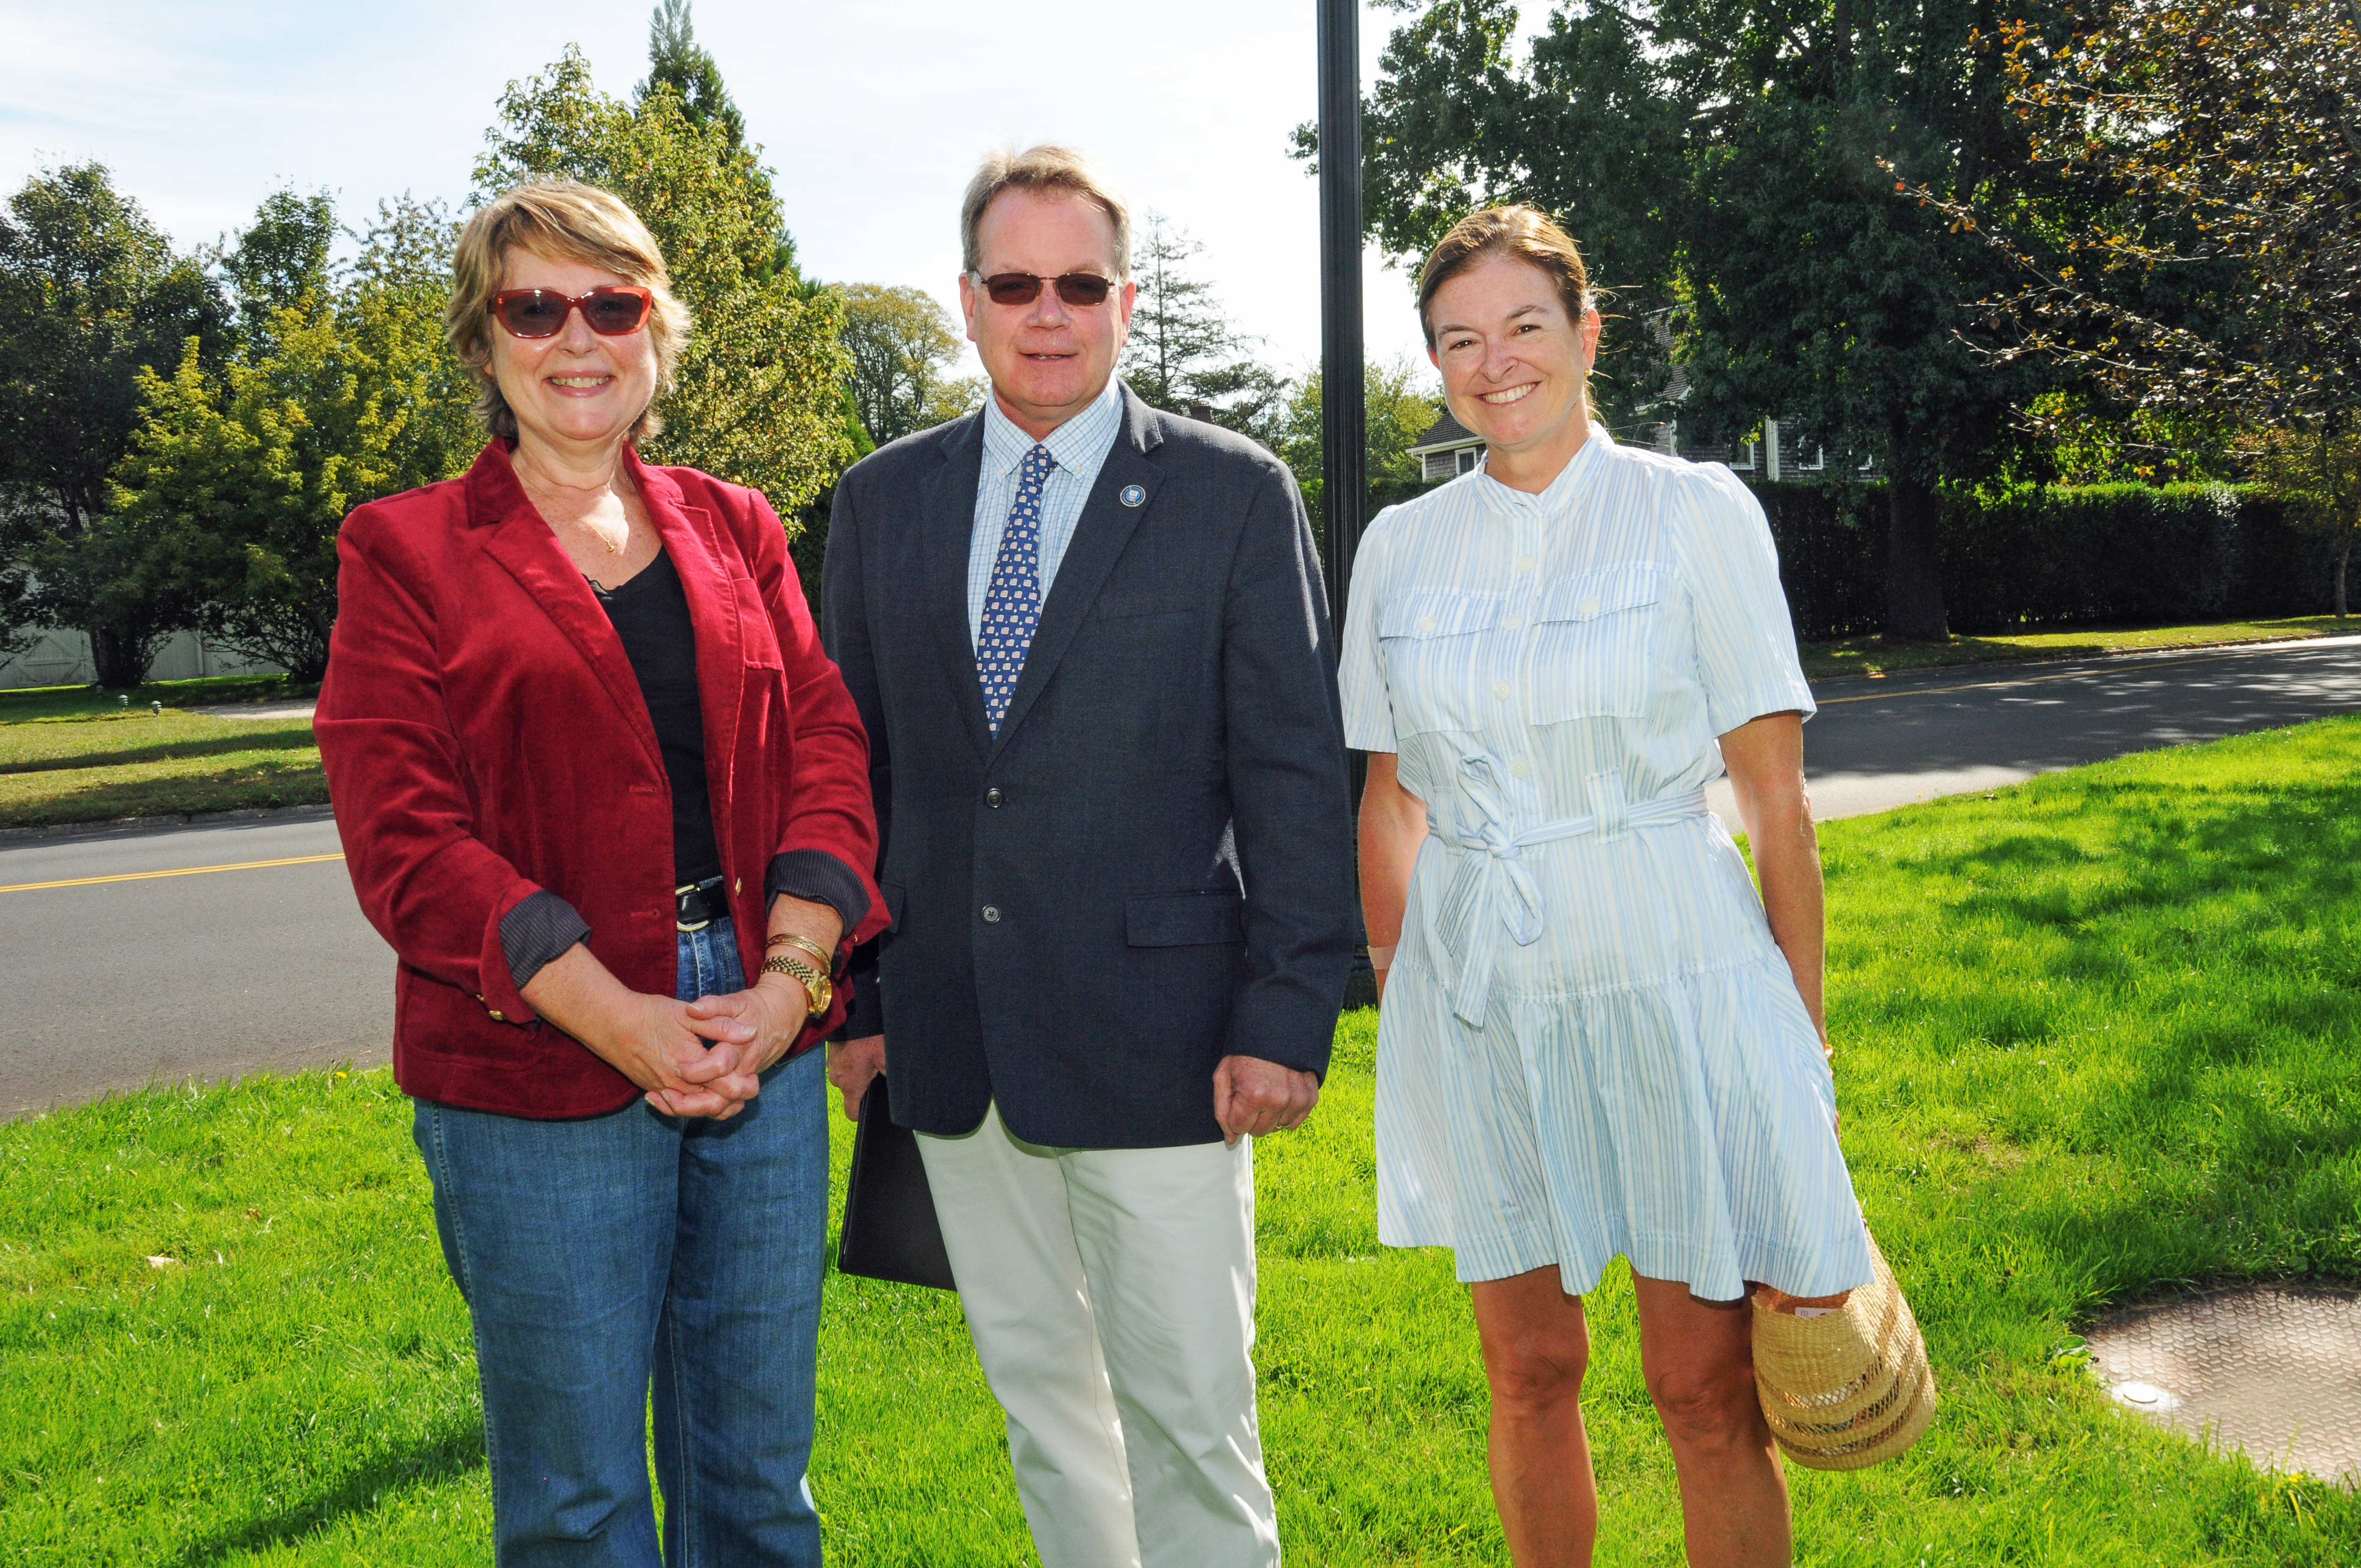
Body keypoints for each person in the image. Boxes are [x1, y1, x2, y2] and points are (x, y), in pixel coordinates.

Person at [315, 179, 886, 1566]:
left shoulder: (738, 524)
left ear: (656, 331)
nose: (577, 336)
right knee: (575, 1502)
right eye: (534, 304)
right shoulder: (403, 550)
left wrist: (792, 978)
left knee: (756, 1478)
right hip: (539, 1051)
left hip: (757, 1029)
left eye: (612, 302)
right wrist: (611, 1013)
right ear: (483, 339)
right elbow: (406, 835)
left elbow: (824, 737)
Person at [820, 145, 1355, 1568]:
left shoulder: (1234, 497)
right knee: (1044, 1411)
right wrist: (858, 1003)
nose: (1045, 312)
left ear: (1126, 301)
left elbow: (1299, 774)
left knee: (1191, 1417)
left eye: (1078, 283)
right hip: (953, 1043)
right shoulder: (881, 506)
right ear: (968, 300)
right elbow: (848, 776)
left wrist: (1288, 1013)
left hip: (1169, 1049)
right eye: (1015, 283)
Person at [1341, 205, 1874, 1567]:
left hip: (1672, 974)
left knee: (1701, 1389)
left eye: (1523, 324)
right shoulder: (1397, 547)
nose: (1492, 360)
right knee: (1527, 1369)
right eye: (1457, 339)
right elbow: (1388, 801)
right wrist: (1409, 998)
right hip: (1483, 1002)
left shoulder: (1690, 510)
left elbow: (1773, 804)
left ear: (1586, 332)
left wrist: (1795, 1036)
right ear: (1435, 365)